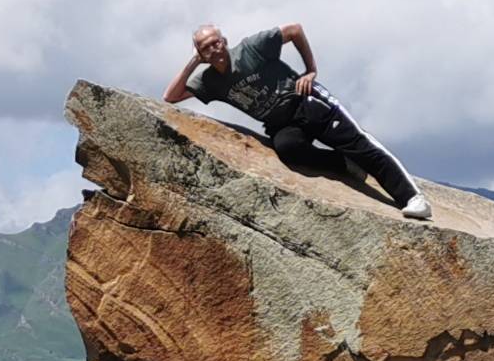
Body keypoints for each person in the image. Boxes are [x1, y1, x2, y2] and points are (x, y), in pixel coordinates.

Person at [165, 23, 430, 220]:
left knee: (359, 144)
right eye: (205, 47)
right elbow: (171, 96)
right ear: (200, 52)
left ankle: (412, 197)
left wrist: (311, 70)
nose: (214, 49)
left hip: (305, 101)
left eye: (216, 42)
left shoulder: (250, 49)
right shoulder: (209, 80)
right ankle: (344, 164)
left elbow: (294, 30)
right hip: (282, 124)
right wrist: (193, 63)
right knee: (289, 150)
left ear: (224, 41)